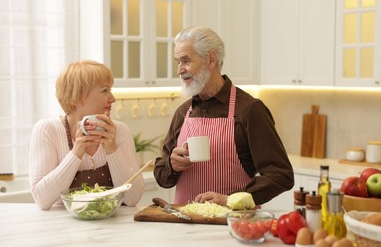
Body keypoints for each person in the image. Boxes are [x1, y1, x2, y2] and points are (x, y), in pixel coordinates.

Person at [154, 26, 294, 206]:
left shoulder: (250, 110)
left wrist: (231, 200)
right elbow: (162, 177)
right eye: (178, 62)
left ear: (211, 59)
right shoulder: (183, 112)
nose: (179, 70)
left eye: (186, 60)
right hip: (185, 227)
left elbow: (281, 175)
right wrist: (171, 165)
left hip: (232, 227)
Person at [29, 60, 144, 210]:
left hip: (114, 228)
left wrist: (111, 148)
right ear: (78, 97)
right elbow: (42, 200)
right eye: (104, 91)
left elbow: (132, 198)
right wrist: (77, 152)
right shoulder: (47, 130)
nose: (112, 98)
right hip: (62, 230)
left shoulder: (120, 131)